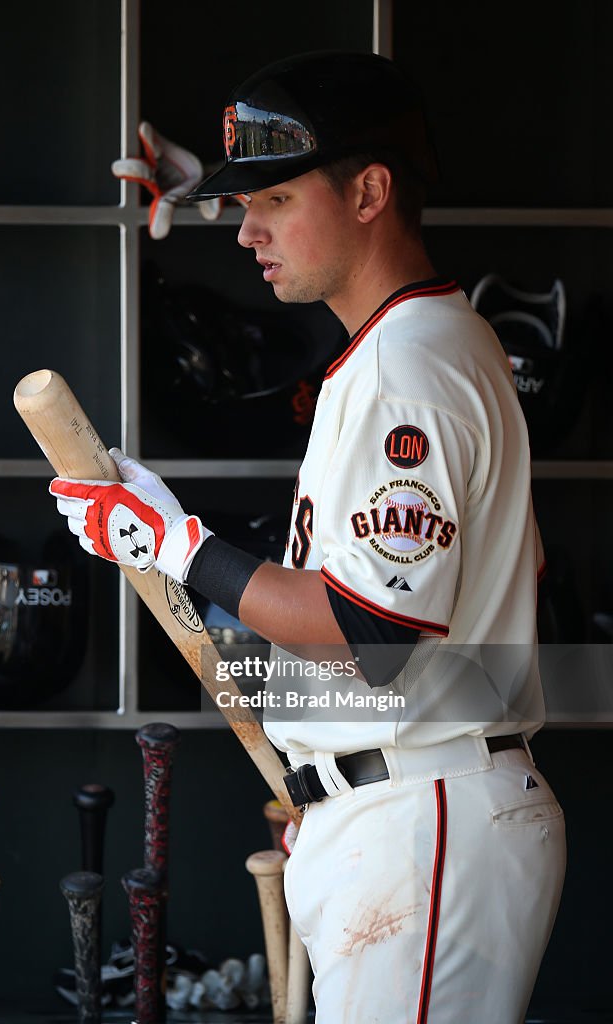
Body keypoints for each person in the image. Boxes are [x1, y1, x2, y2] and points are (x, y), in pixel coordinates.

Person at [50, 52, 566, 1024]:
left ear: (369, 190)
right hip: (406, 810)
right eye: (242, 203)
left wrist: (174, 540)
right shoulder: (417, 345)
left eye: (274, 200)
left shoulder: (405, 369)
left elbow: (372, 633)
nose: (245, 231)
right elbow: (462, 636)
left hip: (426, 819)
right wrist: (325, 772)